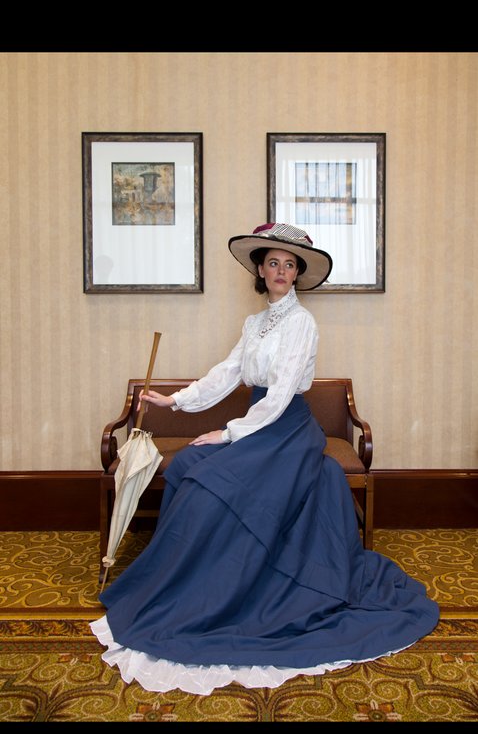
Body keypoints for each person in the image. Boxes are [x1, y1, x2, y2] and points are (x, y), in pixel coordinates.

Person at [91, 223, 439, 695]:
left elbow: (277, 396)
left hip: (287, 428)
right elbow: (227, 372)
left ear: (297, 275)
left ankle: (235, 590)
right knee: (190, 470)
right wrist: (174, 401)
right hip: (260, 419)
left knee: (213, 481)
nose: (280, 271)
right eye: (273, 262)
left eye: (289, 264)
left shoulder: (302, 323)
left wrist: (229, 432)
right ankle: (187, 589)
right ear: (260, 268)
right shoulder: (254, 325)